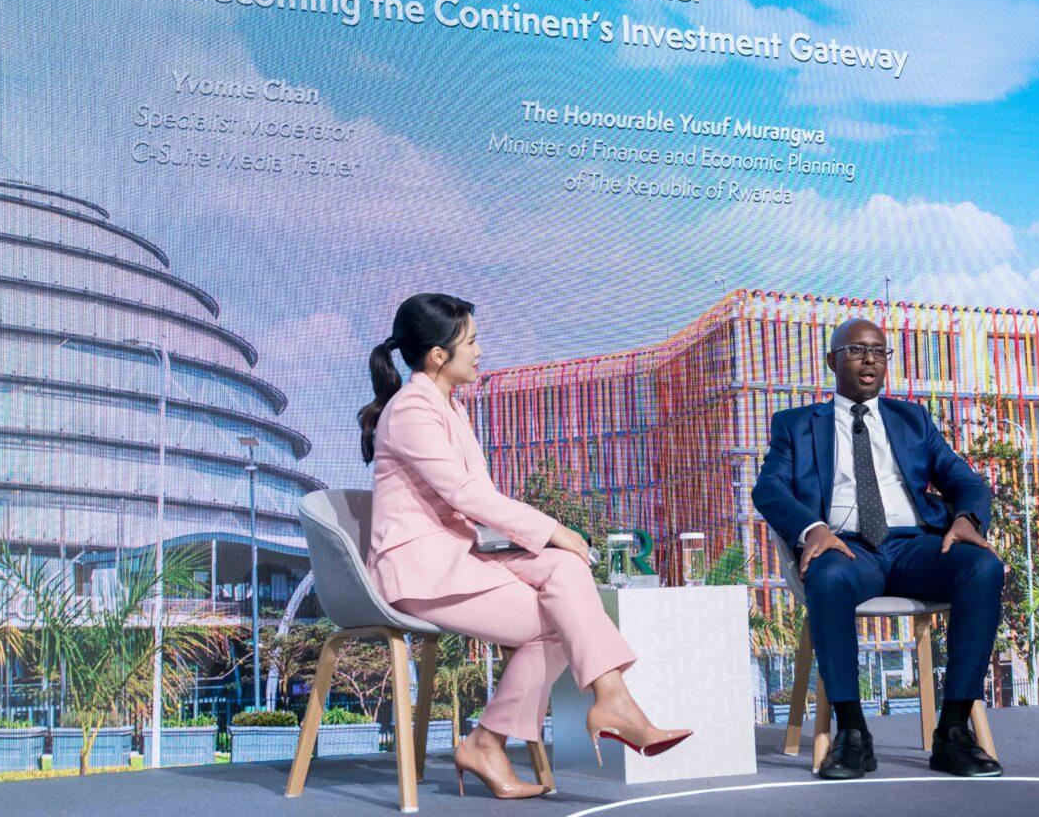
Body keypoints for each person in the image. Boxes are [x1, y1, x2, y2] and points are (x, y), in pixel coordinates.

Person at [360, 293, 691, 799]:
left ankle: (606, 701)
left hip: (459, 558)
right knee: (561, 617)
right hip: (420, 573)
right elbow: (466, 495)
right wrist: (553, 528)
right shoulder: (410, 410)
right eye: (471, 342)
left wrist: (548, 542)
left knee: (566, 572)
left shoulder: (449, 406)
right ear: (439, 355)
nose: (480, 351)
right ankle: (500, 738)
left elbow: (476, 500)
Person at [751, 317, 1004, 780]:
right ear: (832, 361)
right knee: (826, 576)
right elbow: (768, 489)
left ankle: (952, 731)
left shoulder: (913, 419)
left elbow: (964, 479)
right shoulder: (795, 425)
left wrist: (967, 519)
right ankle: (853, 733)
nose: (869, 359)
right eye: (856, 349)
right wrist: (812, 529)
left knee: (983, 567)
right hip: (847, 550)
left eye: (879, 351)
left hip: (914, 548)